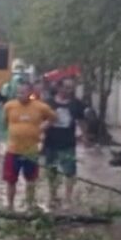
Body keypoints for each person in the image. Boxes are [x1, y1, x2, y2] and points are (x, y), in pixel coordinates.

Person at [2, 80, 56, 211]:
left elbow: (53, 118)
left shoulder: (40, 107)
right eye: (18, 92)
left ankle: (30, 205)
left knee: (31, 180)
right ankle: (10, 206)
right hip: (13, 150)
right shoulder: (9, 106)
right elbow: (4, 123)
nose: (20, 94)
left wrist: (43, 127)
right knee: (10, 180)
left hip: (31, 151)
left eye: (23, 91)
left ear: (30, 92)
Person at [44, 78, 88, 206]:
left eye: (71, 88)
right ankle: (52, 196)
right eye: (67, 87)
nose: (69, 90)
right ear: (59, 88)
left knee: (70, 171)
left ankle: (68, 197)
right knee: (51, 170)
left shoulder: (76, 104)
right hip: (50, 141)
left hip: (68, 142)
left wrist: (85, 137)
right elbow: (41, 120)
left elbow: (82, 121)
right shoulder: (48, 103)